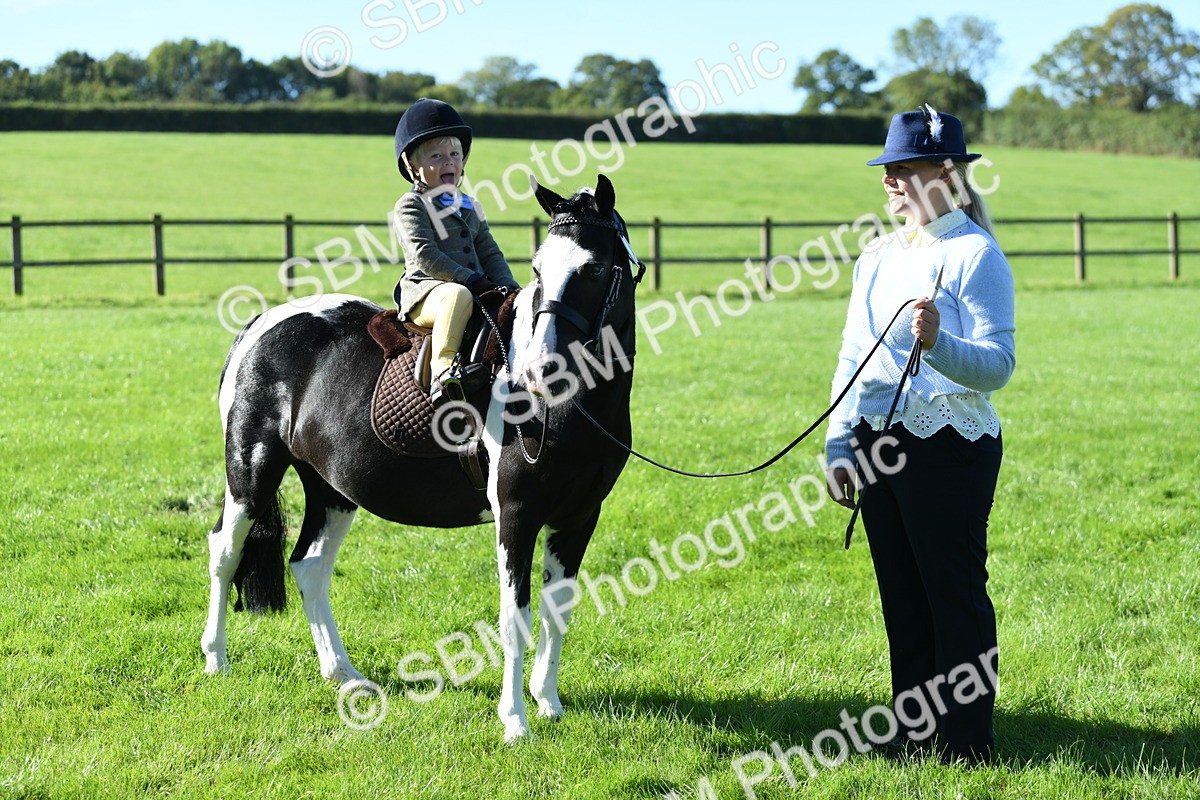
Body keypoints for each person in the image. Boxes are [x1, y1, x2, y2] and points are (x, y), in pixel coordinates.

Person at [824, 105, 1016, 764]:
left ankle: (967, 744)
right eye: (889, 168)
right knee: (903, 601)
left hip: (952, 446)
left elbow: (998, 367)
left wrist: (939, 345)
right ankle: (915, 736)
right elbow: (852, 354)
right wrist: (838, 442)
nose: (892, 180)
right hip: (879, 443)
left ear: (947, 173)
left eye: (905, 168)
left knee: (952, 598)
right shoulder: (877, 256)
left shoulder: (975, 254)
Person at [391, 98, 519, 401]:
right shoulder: (411, 205)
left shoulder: (468, 205)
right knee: (456, 294)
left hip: (473, 288)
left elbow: (490, 252)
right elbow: (424, 254)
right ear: (413, 167)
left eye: (454, 154)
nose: (448, 161)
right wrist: (469, 279)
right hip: (427, 294)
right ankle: (444, 369)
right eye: (436, 156)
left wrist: (510, 288)